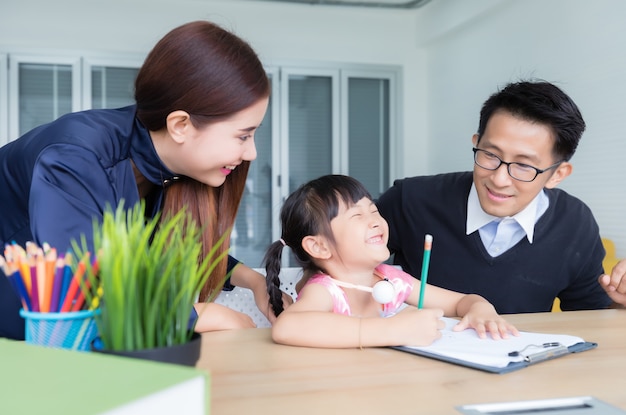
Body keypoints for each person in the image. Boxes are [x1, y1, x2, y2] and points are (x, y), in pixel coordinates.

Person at [0, 20, 291, 340]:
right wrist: (196, 314)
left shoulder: (169, 166)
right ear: (181, 125)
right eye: (243, 135)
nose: (251, 153)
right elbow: (88, 289)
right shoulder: (74, 160)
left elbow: (178, 245)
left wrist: (254, 281)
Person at [376, 79, 626, 314]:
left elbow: (590, 318)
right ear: (476, 142)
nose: (499, 179)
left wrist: (621, 302)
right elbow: (340, 264)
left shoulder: (575, 223)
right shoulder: (410, 199)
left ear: (557, 174)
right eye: (490, 155)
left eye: (524, 166)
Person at [264, 174, 518, 348]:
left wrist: (481, 310)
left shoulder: (390, 280)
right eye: (357, 216)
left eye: (373, 210)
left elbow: (461, 301)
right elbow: (287, 327)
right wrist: (392, 331)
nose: (375, 220)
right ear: (319, 246)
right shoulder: (325, 291)